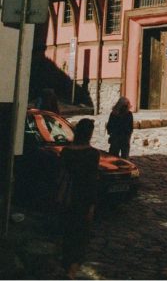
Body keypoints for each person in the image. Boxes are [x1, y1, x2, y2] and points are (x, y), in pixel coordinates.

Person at [58, 117, 99, 279]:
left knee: (68, 233)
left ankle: (67, 266)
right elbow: (91, 181)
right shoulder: (92, 154)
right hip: (82, 199)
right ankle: (72, 271)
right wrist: (92, 205)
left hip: (67, 197)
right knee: (81, 236)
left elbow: (61, 175)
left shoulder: (66, 152)